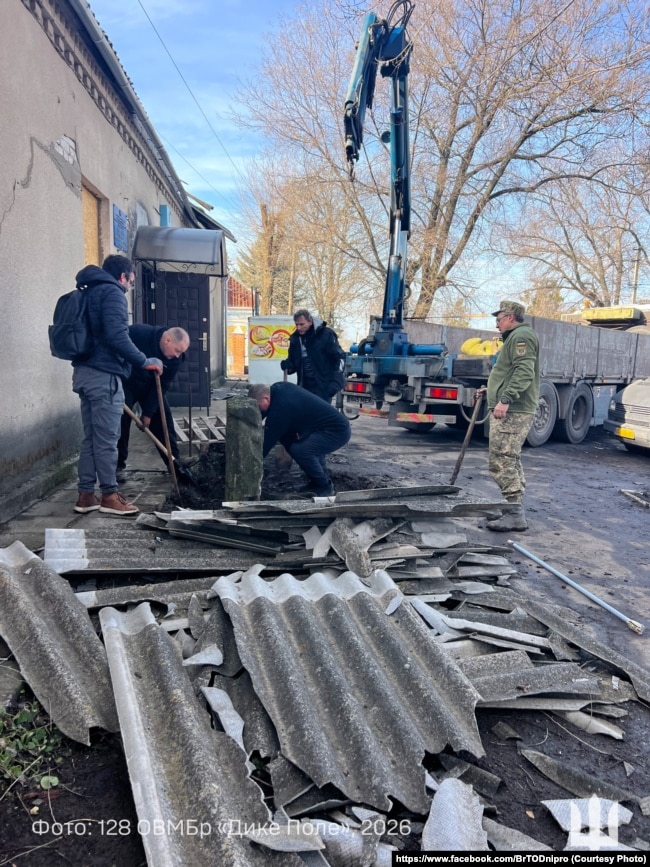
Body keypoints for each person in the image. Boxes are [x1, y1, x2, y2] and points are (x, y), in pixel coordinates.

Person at [71, 255, 163, 516]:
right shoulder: (112, 293)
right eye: (131, 280)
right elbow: (117, 336)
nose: (130, 285)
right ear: (123, 276)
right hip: (104, 376)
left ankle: (86, 495)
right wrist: (144, 361)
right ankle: (110, 495)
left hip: (84, 373)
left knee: (91, 438)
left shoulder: (88, 291)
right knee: (108, 439)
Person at [478, 299, 540, 532]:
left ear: (510, 317)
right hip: (513, 406)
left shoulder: (521, 337)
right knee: (510, 458)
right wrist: (492, 390)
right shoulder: (516, 337)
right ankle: (510, 507)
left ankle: (514, 514)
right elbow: (511, 371)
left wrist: (505, 399)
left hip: (514, 409)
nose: (496, 324)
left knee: (502, 460)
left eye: (498, 319)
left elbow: (525, 371)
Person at [248, 381, 351, 496]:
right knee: (293, 442)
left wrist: (251, 464)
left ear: (266, 399)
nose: (257, 411)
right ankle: (317, 479)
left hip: (336, 431)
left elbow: (267, 441)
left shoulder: (281, 407)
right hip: (319, 429)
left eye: (257, 406)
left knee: (301, 450)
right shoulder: (278, 389)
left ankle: (324, 486)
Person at [117, 325, 190, 479]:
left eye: (181, 352)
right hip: (126, 383)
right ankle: (117, 466)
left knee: (164, 421)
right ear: (168, 340)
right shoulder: (138, 333)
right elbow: (118, 346)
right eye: (177, 350)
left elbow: (163, 386)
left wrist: (148, 414)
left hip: (151, 387)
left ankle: (174, 463)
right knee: (120, 420)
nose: (178, 356)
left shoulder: (175, 359)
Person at [280, 309, 346, 402]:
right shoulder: (295, 339)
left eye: (302, 324)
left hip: (323, 386)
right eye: (297, 324)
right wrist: (288, 365)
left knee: (321, 415)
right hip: (304, 386)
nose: (299, 328)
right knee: (305, 415)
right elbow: (294, 363)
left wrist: (336, 382)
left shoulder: (325, 335)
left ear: (310, 321)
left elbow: (340, 358)